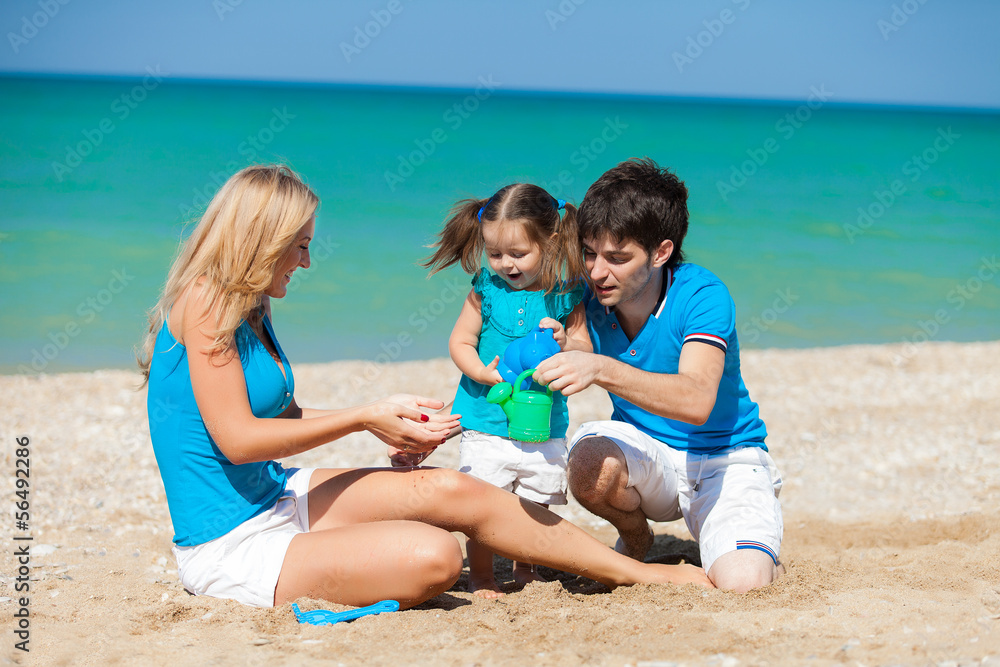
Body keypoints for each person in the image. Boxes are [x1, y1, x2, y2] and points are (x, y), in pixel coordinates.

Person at [137, 165, 712, 611]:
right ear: (263, 240)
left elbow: (280, 418)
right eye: (301, 245)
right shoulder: (208, 300)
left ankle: (639, 571)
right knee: (435, 556)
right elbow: (238, 440)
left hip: (278, 495)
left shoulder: (250, 302)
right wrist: (366, 416)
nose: (307, 261)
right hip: (231, 541)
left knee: (452, 492)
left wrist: (398, 422)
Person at [533, 158, 784, 593]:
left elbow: (696, 401)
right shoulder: (589, 296)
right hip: (648, 457)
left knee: (744, 585)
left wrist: (599, 367)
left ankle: (748, 544)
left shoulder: (701, 295)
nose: (596, 271)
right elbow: (515, 262)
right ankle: (636, 539)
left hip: (726, 458)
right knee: (590, 461)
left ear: (661, 252)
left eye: (617, 258)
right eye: (590, 253)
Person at [421, 183, 593, 598]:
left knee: (536, 499)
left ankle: (526, 567)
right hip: (487, 418)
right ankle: (481, 574)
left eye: (518, 254)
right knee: (483, 499)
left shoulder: (565, 297)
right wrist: (479, 371)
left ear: (550, 241)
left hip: (542, 422)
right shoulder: (486, 290)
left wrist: (567, 344)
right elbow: (460, 341)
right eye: (495, 253)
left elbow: (586, 349)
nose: (505, 264)